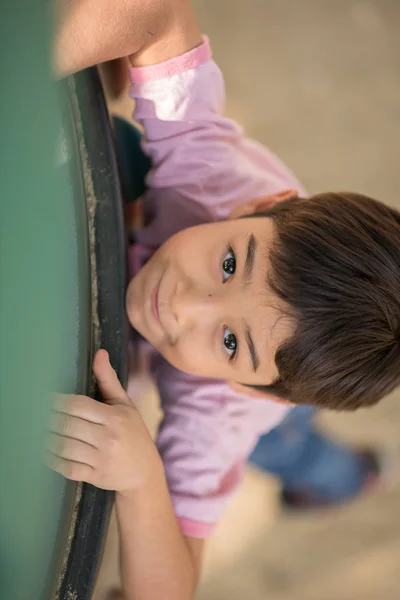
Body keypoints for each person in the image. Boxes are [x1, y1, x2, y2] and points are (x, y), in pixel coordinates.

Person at [49, 2, 400, 599]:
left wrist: (142, 481)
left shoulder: (223, 411)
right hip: (282, 360)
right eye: (231, 263)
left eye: (231, 341)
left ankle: (352, 478)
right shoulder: (212, 178)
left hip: (280, 410)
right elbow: (152, 11)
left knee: (291, 447)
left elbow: (169, 590)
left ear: (243, 384)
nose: (186, 306)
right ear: (257, 209)